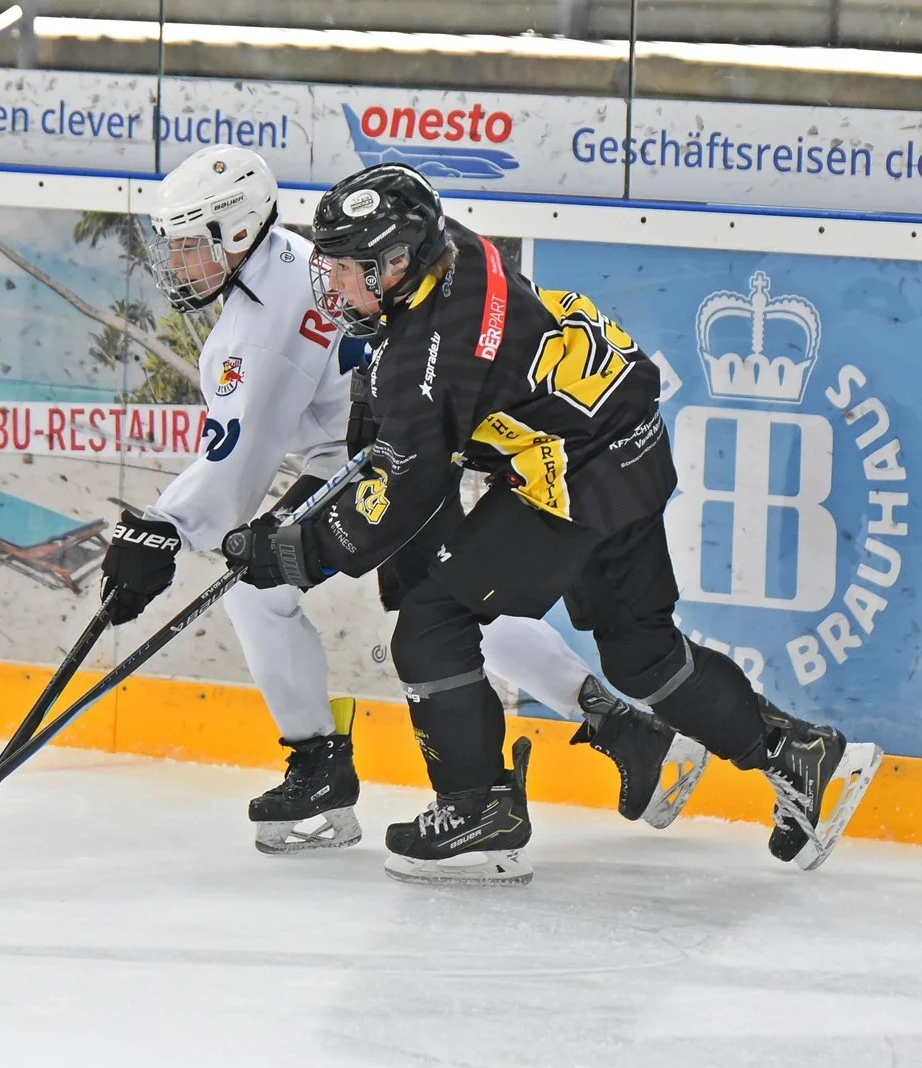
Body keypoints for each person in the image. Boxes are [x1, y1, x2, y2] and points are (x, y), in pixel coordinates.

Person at [222, 160, 884, 884]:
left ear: (399, 259)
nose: (337, 285)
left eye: (351, 269)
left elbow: (403, 492)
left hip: (573, 478)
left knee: (431, 625)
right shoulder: (458, 250)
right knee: (643, 654)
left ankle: (478, 814)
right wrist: (357, 467)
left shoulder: (427, 360)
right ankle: (798, 753)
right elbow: (400, 415)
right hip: (622, 442)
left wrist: (293, 553)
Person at [97, 145, 707, 858]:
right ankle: (623, 730)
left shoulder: (256, 337)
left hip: (386, 461)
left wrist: (162, 531)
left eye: (189, 246)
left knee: (339, 600)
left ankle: (324, 765)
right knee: (439, 601)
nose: (177, 263)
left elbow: (237, 464)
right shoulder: (293, 256)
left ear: (236, 235)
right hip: (393, 449)